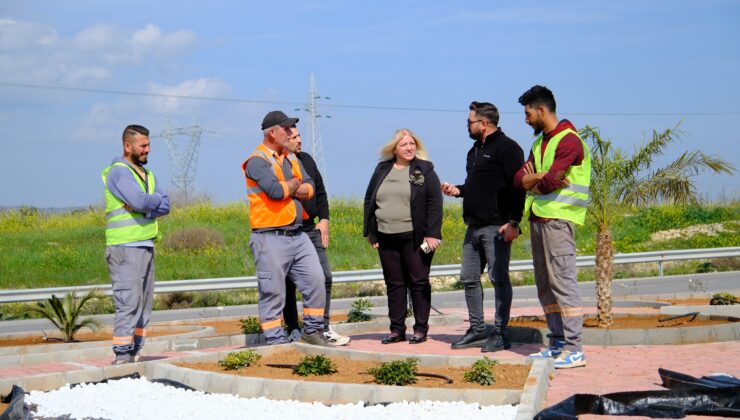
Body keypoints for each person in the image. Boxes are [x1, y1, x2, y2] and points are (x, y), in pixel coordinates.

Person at [514, 85, 591, 369]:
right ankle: (557, 342)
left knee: (563, 283)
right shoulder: (539, 143)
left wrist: (537, 180)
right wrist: (535, 179)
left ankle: (575, 348)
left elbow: (549, 182)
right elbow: (518, 180)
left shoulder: (569, 141)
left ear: (541, 110)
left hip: (559, 221)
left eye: (527, 113)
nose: (525, 120)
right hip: (538, 218)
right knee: (545, 285)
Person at [441, 101, 525, 353]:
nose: (467, 126)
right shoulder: (474, 150)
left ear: (484, 123)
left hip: (497, 227)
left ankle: (500, 333)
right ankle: (478, 329)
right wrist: (458, 191)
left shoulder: (508, 148)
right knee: (468, 278)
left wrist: (514, 222)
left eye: (470, 122)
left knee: (499, 279)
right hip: (473, 227)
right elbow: (477, 187)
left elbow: (517, 187)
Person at [242, 110, 331, 347]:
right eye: (286, 128)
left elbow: (310, 187)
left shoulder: (292, 159)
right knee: (273, 293)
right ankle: (276, 342)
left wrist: (290, 187)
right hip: (269, 236)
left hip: (297, 234)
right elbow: (275, 191)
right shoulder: (257, 161)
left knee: (316, 280)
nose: (292, 132)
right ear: (272, 133)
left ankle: (312, 331)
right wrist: (294, 185)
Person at [363, 129, 443, 344]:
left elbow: (434, 203)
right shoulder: (382, 169)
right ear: (394, 149)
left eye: (412, 144)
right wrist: (370, 231)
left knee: (418, 282)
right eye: (404, 144)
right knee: (394, 284)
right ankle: (397, 330)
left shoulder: (423, 170)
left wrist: (432, 234)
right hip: (386, 235)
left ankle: (420, 329)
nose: (409, 148)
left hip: (414, 237)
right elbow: (370, 199)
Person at [102, 124, 170, 365]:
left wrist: (146, 207)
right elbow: (143, 201)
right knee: (128, 302)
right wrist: (149, 204)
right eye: (143, 145)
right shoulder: (118, 172)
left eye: (149, 145)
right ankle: (122, 355)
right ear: (127, 146)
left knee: (144, 304)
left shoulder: (148, 175)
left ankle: (135, 352)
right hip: (125, 247)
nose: (147, 150)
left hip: (146, 245)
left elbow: (165, 205)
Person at [282, 126, 350, 345]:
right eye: (294, 137)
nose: (299, 140)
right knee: (288, 284)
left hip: (311, 228)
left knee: (325, 277)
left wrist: (324, 219)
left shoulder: (307, 159)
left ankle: (322, 326)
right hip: (286, 230)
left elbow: (319, 191)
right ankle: (293, 328)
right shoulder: (276, 163)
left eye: (299, 135)